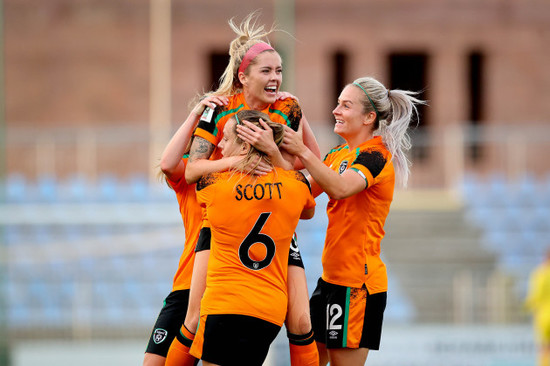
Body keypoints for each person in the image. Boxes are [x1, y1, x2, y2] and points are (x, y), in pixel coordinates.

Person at [165, 11, 321, 366]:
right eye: (267, 71)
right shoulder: (220, 110)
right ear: (243, 76)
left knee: (300, 319)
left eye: (279, 70)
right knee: (194, 317)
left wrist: (275, 152)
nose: (276, 78)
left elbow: (311, 165)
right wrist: (238, 163)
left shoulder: (288, 107)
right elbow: (192, 170)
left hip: (275, 209)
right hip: (227, 214)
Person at [282, 76, 425, 366]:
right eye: (337, 103)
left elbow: (341, 187)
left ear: (369, 117)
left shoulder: (377, 154)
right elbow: (301, 192)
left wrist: (302, 151)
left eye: (346, 105)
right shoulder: (338, 154)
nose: (336, 110)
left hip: (357, 285)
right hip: (330, 281)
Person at [189, 110, 316, 366]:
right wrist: (276, 159)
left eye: (225, 139)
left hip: (224, 302)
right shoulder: (296, 185)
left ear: (244, 145)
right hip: (267, 310)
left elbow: (192, 170)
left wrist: (231, 164)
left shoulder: (213, 185)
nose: (220, 146)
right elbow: (309, 210)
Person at [143, 96, 244, 366]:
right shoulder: (193, 170)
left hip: (224, 287)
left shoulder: (245, 175)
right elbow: (167, 164)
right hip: (187, 283)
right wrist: (195, 115)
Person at [525, 248, 550, 366]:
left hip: (544, 317)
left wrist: (526, 307)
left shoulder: (539, 273)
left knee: (544, 348)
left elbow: (535, 296)